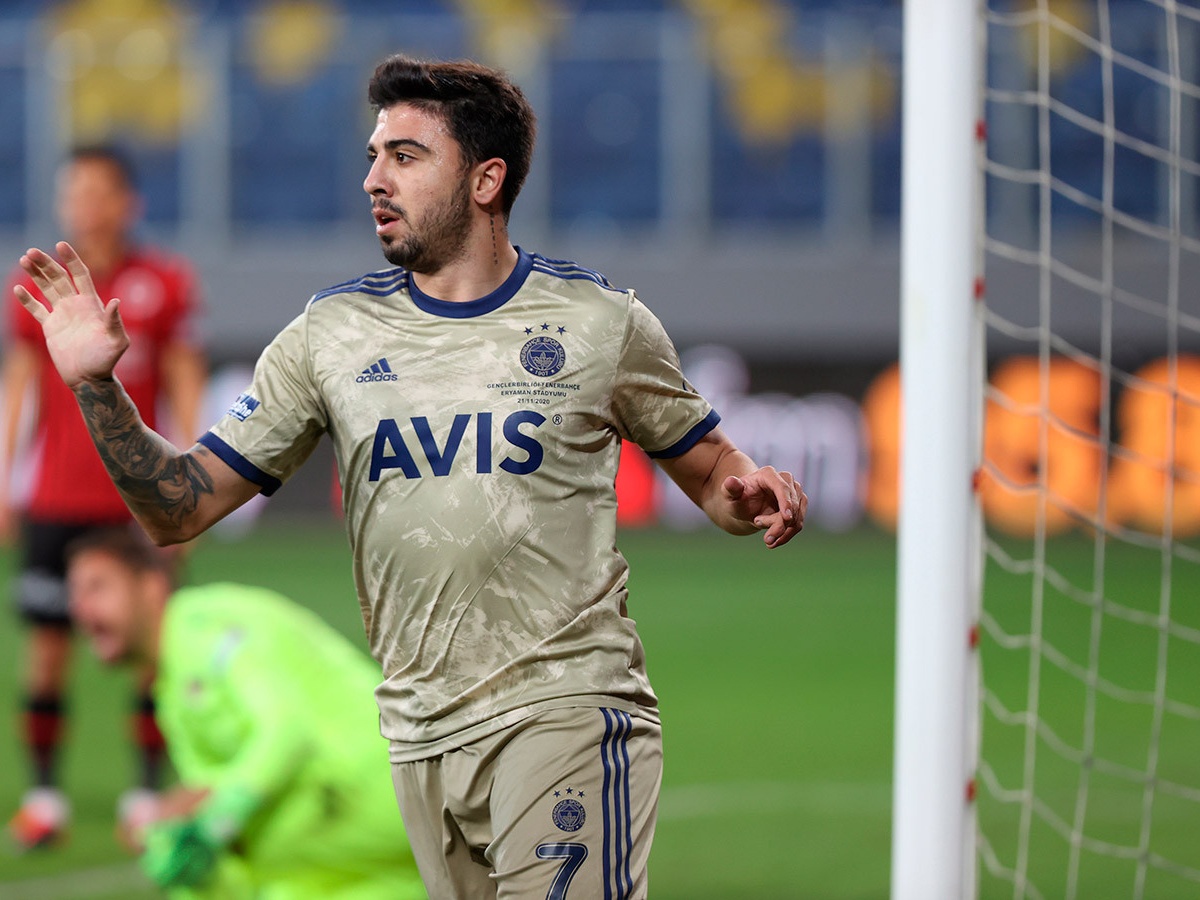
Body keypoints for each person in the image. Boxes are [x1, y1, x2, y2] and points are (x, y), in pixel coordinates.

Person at [14, 54, 806, 898]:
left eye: (405, 155)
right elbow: (179, 506)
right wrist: (96, 388)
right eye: (372, 156)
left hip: (566, 707)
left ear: (485, 180)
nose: (374, 179)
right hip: (420, 737)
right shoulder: (330, 336)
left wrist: (743, 490)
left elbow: (711, 470)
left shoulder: (598, 323)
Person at [1, 144, 207, 850]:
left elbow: (184, 379)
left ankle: (146, 795)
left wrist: (192, 478)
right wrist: (6, 481)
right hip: (56, 499)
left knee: (152, 651)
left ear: (127, 203)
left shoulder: (163, 283)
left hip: (137, 499)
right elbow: (21, 386)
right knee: (47, 649)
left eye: (97, 192)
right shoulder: (36, 285)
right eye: (74, 193)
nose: (84, 206)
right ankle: (44, 797)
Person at [64, 527, 427, 898]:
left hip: (377, 809)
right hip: (337, 871)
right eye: (74, 593)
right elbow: (219, 784)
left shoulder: (206, 628)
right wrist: (169, 819)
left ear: (151, 586)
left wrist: (212, 826)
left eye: (97, 587)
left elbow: (286, 731)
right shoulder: (170, 682)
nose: (80, 609)